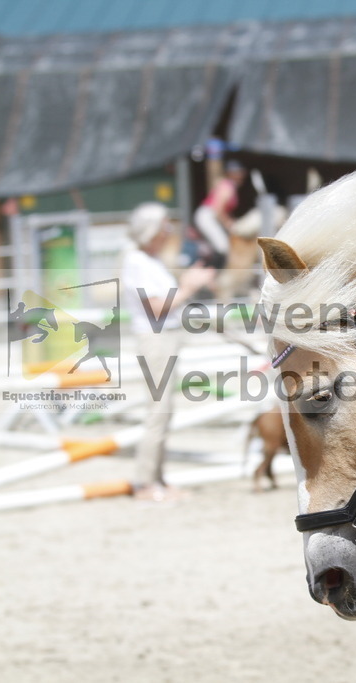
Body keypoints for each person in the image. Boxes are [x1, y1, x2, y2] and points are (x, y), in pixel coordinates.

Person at [123, 202, 215, 502]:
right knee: (158, 410)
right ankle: (144, 482)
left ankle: (158, 478)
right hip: (156, 339)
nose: (169, 232)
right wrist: (188, 287)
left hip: (166, 337)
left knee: (164, 410)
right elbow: (157, 308)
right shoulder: (137, 261)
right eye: (165, 227)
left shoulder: (151, 261)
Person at [193, 159, 246, 267]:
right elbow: (218, 210)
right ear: (231, 173)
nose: (240, 175)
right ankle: (210, 272)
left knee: (219, 247)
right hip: (207, 216)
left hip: (211, 217)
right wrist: (229, 224)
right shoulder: (227, 186)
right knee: (223, 247)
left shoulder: (230, 185)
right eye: (238, 172)